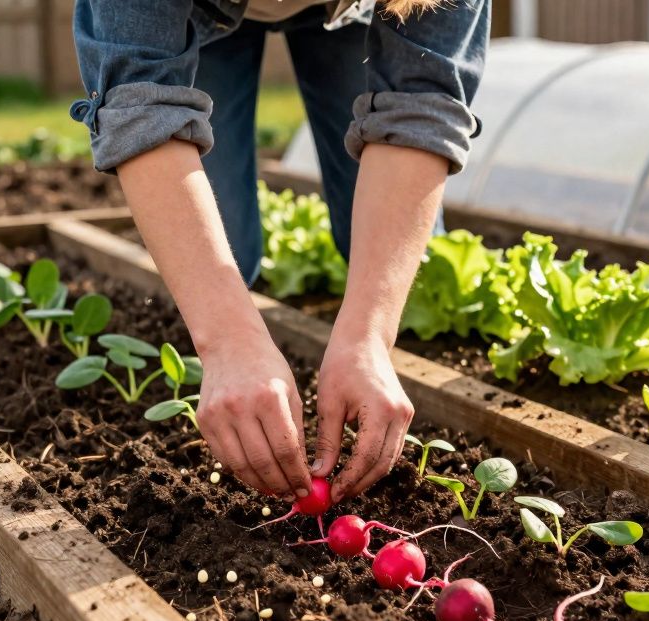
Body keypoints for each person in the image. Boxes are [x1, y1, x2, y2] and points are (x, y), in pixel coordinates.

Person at [71, 0, 488, 504]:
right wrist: (226, 341)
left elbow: (421, 105)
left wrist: (370, 334)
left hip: (354, 15)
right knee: (228, 258)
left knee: (397, 260)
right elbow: (141, 105)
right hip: (198, 13)